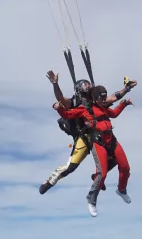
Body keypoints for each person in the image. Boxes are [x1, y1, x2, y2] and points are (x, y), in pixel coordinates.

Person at [38, 71, 136, 194]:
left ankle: (97, 176)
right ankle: (51, 180)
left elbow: (113, 97)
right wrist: (55, 84)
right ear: (79, 89)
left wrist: (126, 89)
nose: (88, 87)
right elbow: (61, 99)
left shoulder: (96, 101)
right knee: (71, 166)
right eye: (85, 86)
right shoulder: (73, 102)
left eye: (88, 85)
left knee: (116, 158)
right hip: (84, 137)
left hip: (99, 136)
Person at [53, 84, 133, 217]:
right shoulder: (85, 109)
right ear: (94, 98)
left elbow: (113, 114)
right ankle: (92, 199)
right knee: (102, 174)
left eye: (104, 98)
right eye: (100, 99)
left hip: (111, 140)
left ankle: (121, 189)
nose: (103, 101)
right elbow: (68, 114)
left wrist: (124, 104)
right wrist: (59, 108)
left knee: (125, 167)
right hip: (98, 142)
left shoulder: (104, 107)